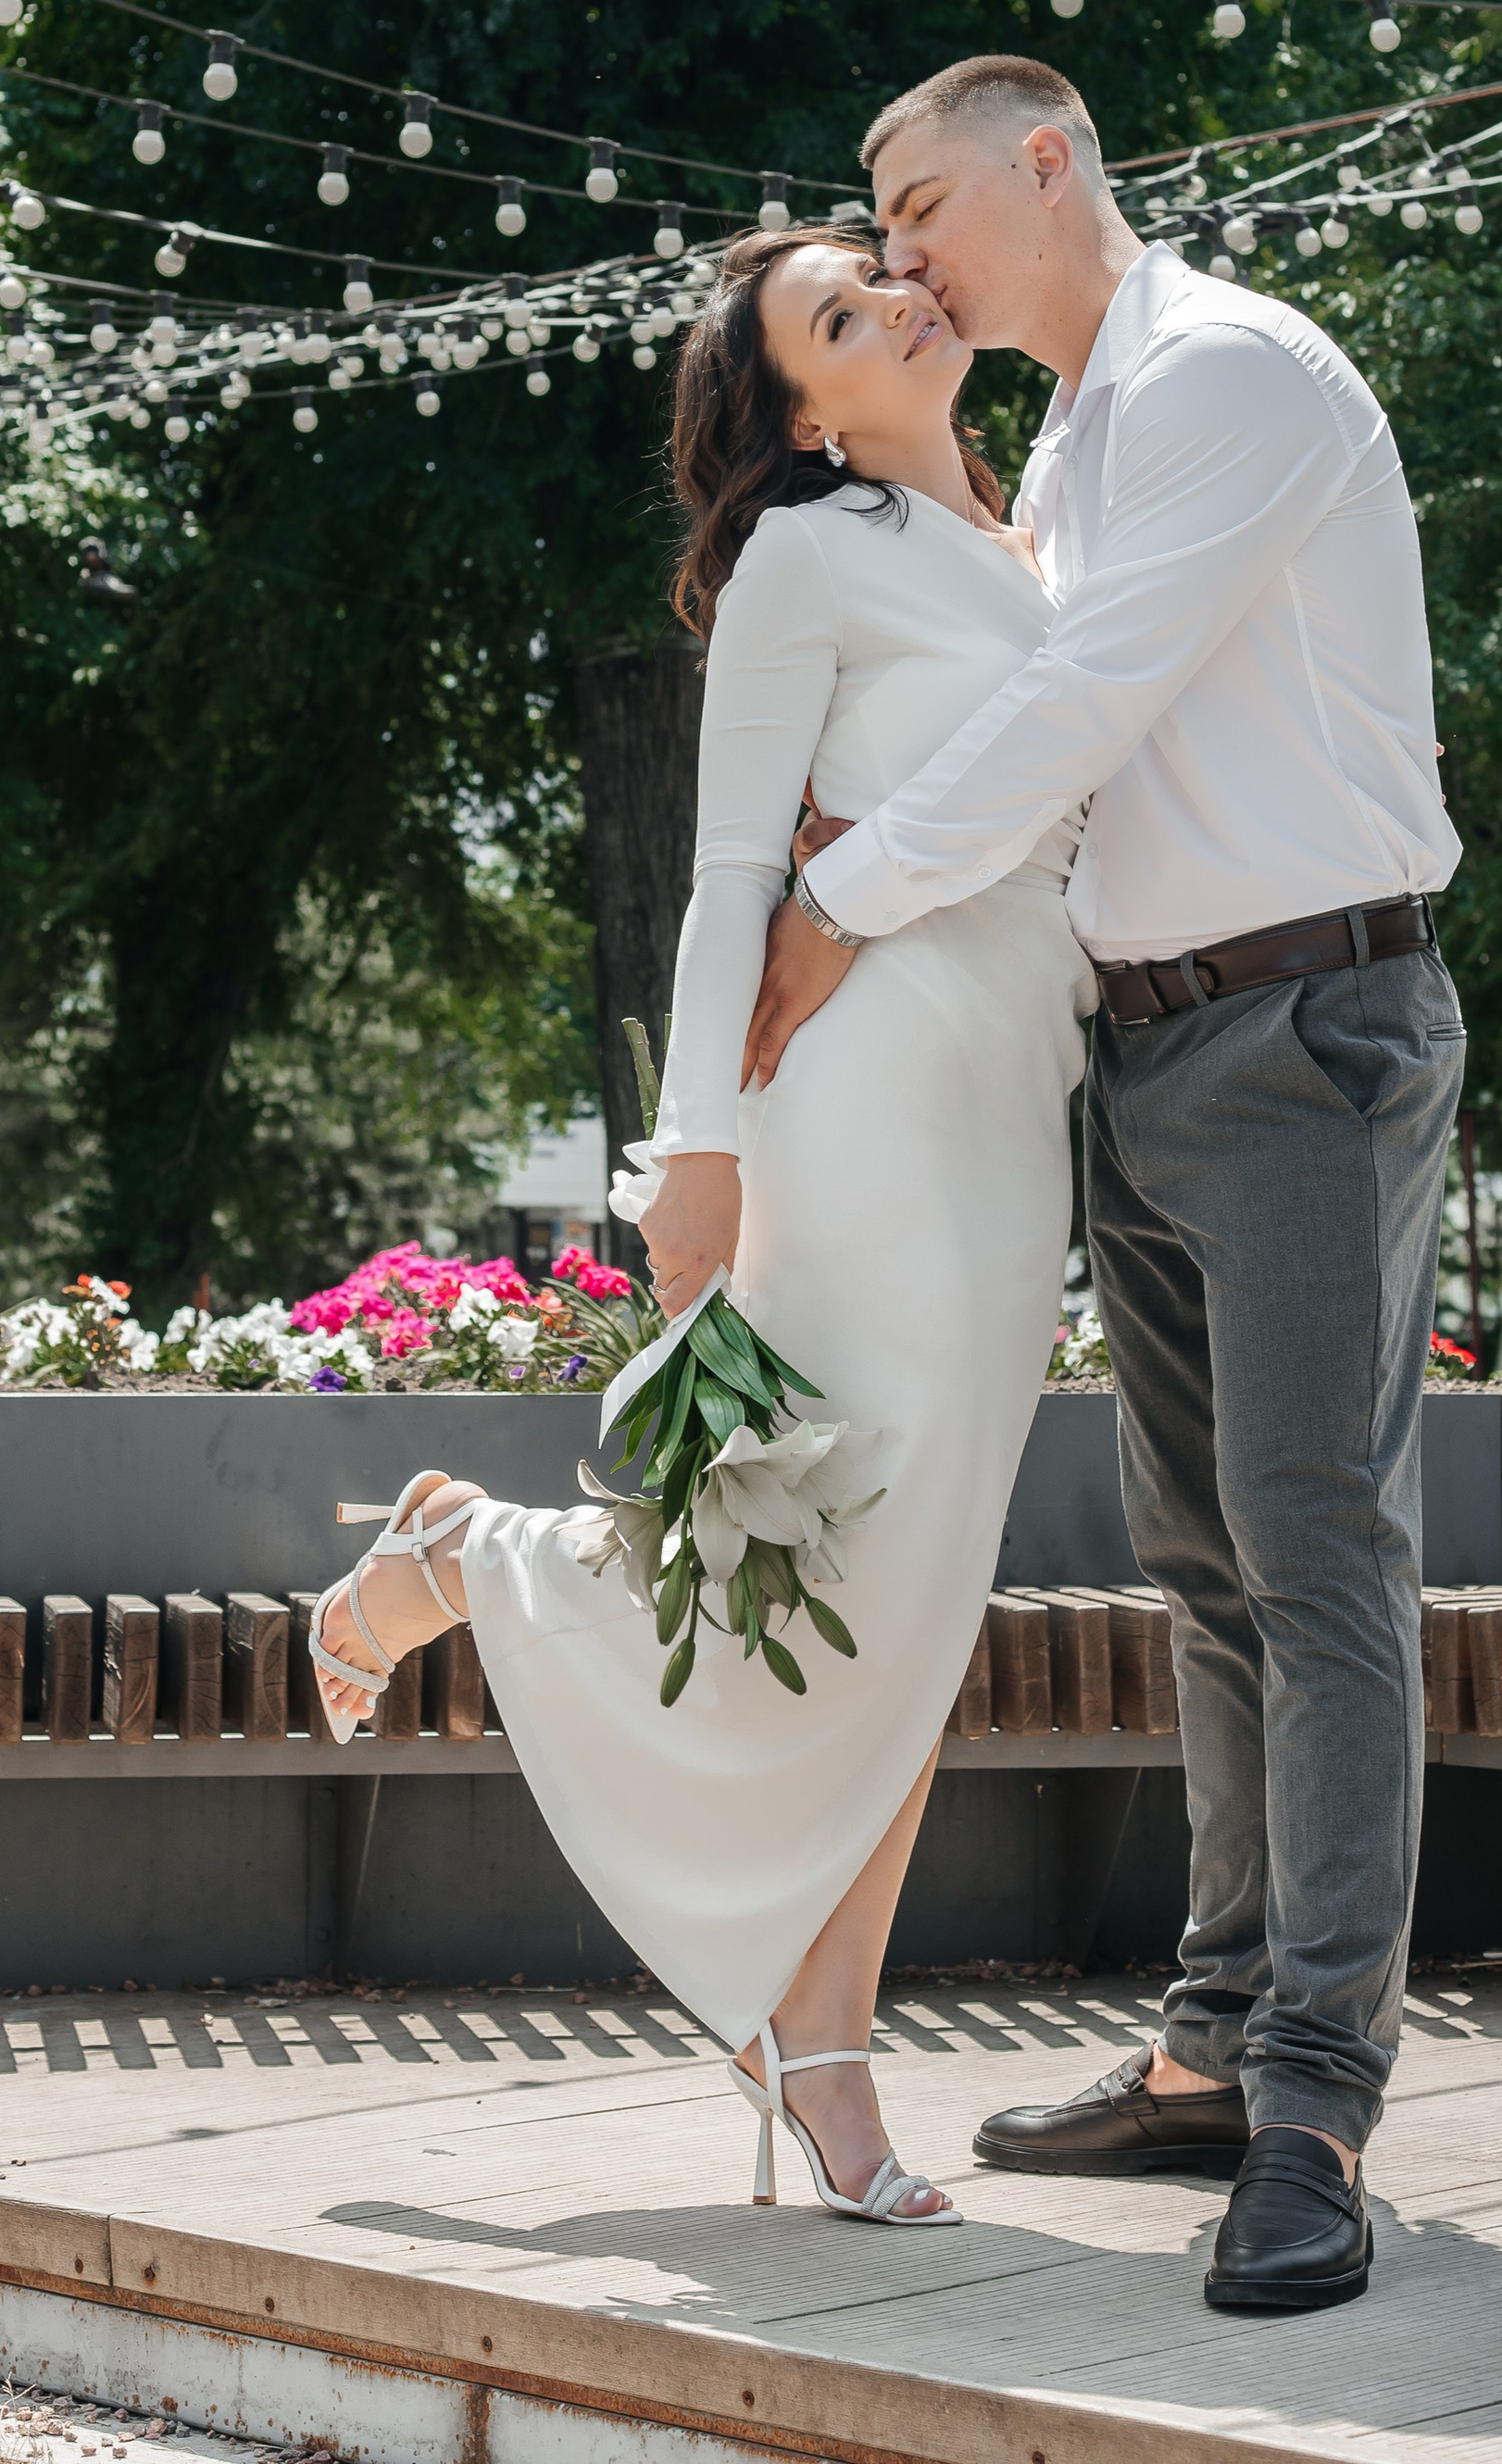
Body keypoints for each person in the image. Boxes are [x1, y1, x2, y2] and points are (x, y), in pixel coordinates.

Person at [745, 52, 1466, 2318]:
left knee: (1313, 1550)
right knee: (1201, 1556)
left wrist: (836, 900)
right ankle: (1213, 2041)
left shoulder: (1231, 373)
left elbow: (1074, 709)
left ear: (1046, 162)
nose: (904, 254)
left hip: (1303, 1032)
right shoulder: (1070, 443)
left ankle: (1318, 2106)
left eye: (921, 199)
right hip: (1142, 1042)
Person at [305, 221, 1094, 2230]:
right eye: (838, 319)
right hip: (858, 1114)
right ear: (804, 412)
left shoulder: (1047, 536)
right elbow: (730, 865)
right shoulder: (804, 559)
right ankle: (471, 1569)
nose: (898, 304)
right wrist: (694, 1153)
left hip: (1016, 1119)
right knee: (839, 1565)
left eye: (885, 277)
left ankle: (800, 2021)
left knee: (903, 1616)